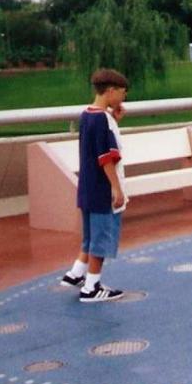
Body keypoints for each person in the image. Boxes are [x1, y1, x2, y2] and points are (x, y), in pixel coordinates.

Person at [59, 68, 129, 302]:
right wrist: (116, 188)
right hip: (102, 189)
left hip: (88, 186)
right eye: (122, 93)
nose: (124, 98)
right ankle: (92, 286)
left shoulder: (87, 115)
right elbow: (106, 157)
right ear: (110, 91)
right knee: (101, 238)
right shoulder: (101, 120)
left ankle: (76, 273)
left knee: (90, 236)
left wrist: (114, 120)